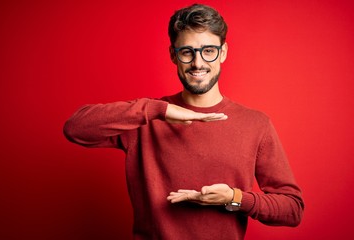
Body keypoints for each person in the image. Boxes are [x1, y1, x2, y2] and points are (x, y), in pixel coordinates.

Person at [63, 4, 304, 240]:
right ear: (173, 55)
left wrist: (235, 197)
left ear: (223, 52)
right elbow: (76, 128)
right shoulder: (147, 119)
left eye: (208, 50)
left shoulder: (256, 125)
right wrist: (159, 109)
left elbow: (292, 210)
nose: (198, 63)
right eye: (187, 52)